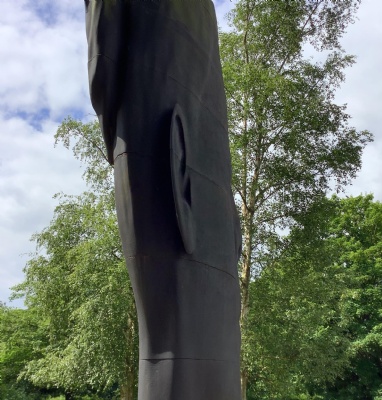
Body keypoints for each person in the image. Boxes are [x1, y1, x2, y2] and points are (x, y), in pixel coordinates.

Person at [85, 1, 242, 398]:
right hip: (211, 187)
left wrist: (118, 146)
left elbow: (103, 63)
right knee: (203, 332)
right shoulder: (206, 8)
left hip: (158, 136)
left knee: (166, 333)